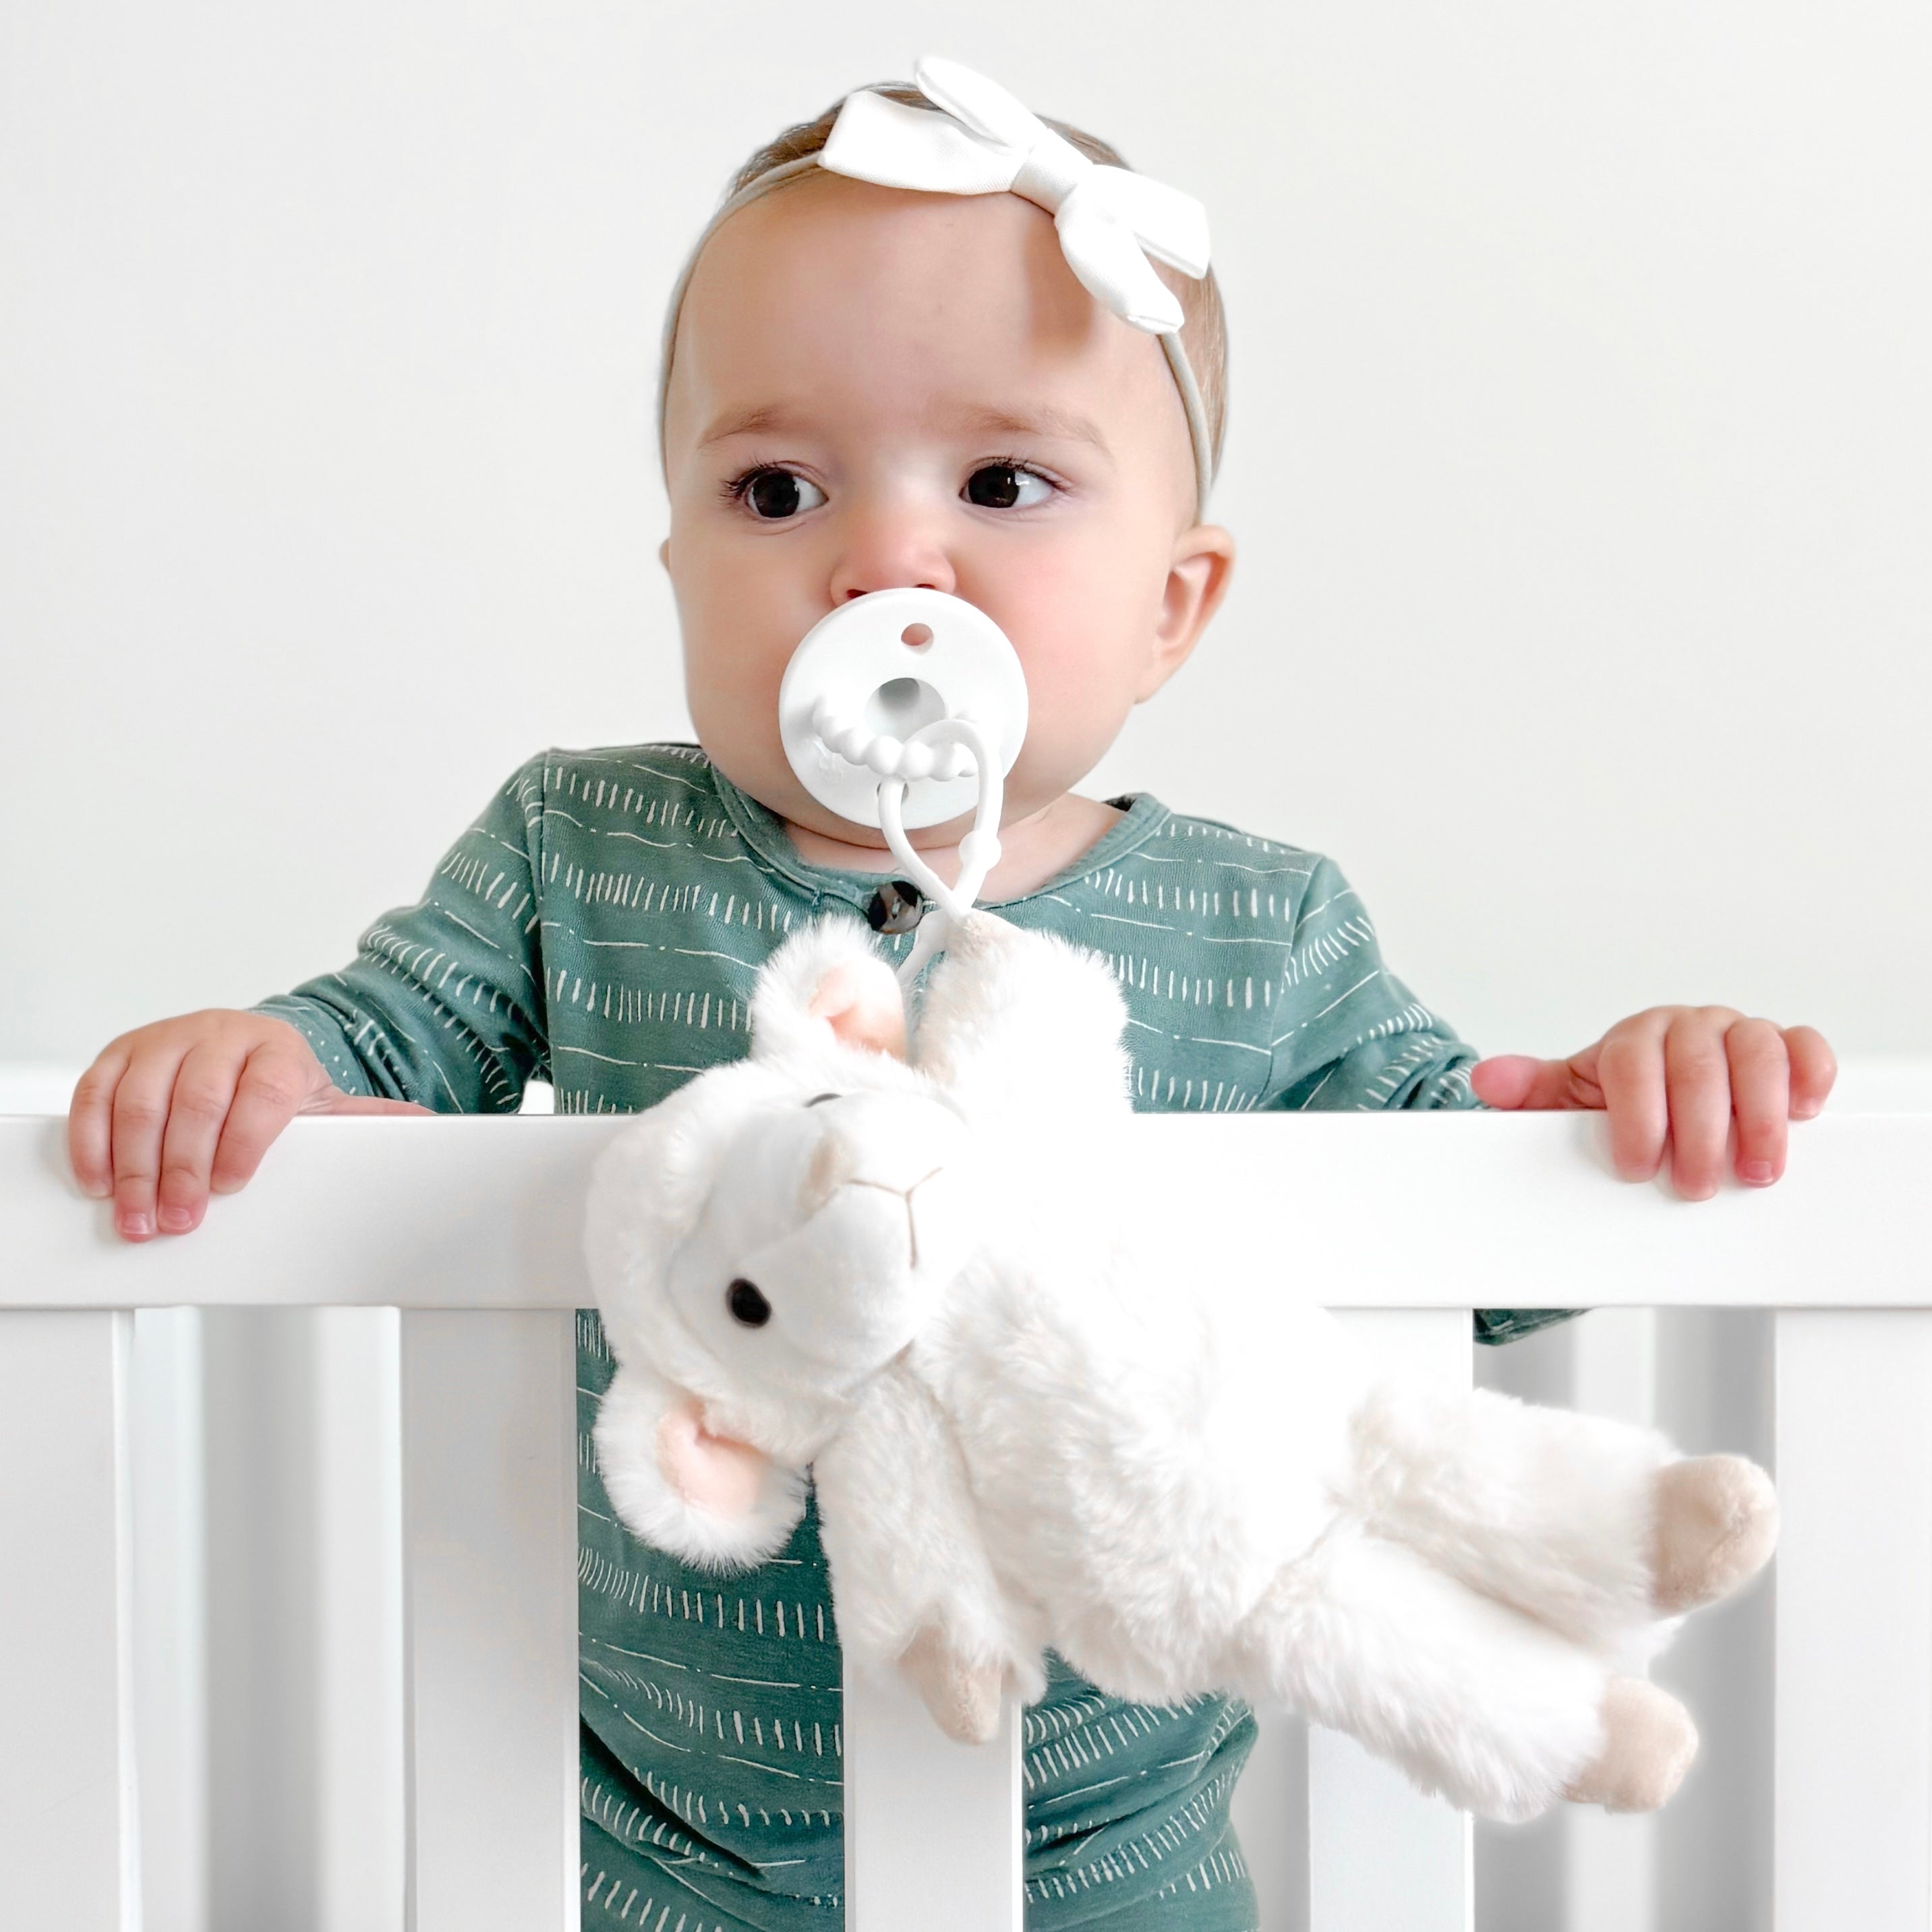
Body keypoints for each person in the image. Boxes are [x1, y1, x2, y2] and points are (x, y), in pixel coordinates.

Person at [65, 63, 1835, 1932]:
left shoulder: (1267, 921)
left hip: (1107, 1852)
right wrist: (251, 1062)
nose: (885, 560)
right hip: (641, 1840)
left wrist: (1607, 1103)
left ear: (1172, 601)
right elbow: (376, 1050)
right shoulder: (571, 848)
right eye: (776, 486)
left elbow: (1462, 1234)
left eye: (1002, 481)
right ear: (678, 562)